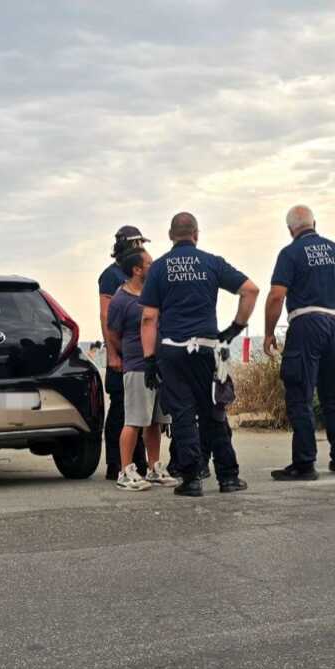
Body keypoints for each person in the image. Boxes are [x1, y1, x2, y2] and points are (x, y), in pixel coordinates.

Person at [140, 212, 259, 497]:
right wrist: (235, 328)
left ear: (171, 235)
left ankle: (192, 479)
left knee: (182, 413)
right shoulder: (211, 262)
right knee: (213, 412)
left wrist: (149, 360)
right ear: (196, 234)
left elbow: (148, 318)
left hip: (172, 350)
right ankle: (228, 476)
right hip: (206, 347)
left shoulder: (158, 268)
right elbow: (250, 290)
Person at [263, 205, 335, 481]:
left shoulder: (290, 254)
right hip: (333, 325)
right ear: (314, 223)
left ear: (290, 230)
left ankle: (304, 463)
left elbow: (276, 296)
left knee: (300, 394)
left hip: (305, 324)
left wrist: (269, 332)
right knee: (332, 394)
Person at [106, 247, 179, 491]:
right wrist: (121, 354)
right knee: (134, 420)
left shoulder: (153, 294)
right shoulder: (120, 300)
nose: (154, 265)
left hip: (158, 366)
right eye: (149, 263)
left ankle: (154, 467)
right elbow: (113, 333)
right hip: (137, 367)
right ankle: (125, 471)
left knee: (154, 421)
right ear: (137, 269)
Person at [99, 226, 148, 480]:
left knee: (138, 410)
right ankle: (115, 463)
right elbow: (107, 315)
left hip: (140, 352)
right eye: (139, 243)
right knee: (120, 408)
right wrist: (113, 353)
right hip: (121, 352)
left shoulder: (142, 274)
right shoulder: (111, 275)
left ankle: (139, 462)